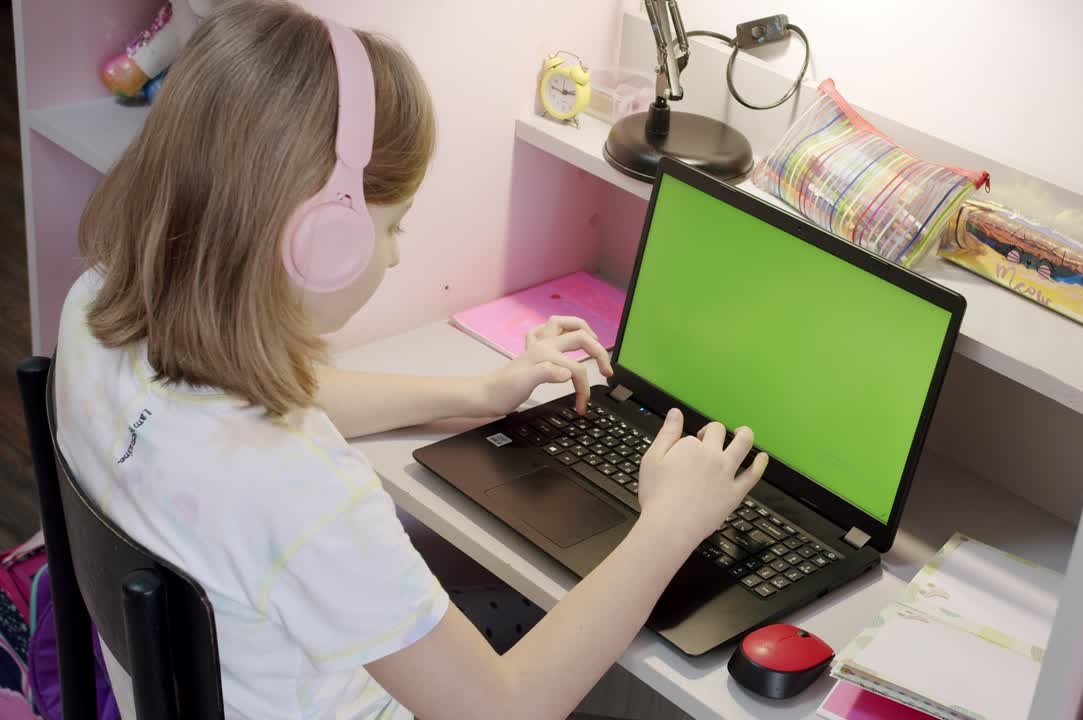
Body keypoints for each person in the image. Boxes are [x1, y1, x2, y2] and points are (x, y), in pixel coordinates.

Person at [53, 2, 767, 719]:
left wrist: (479, 393)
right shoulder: (300, 489)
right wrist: (670, 523)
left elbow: (274, 401)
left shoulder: (96, 309)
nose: (394, 253)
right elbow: (504, 709)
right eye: (393, 225)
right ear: (319, 235)